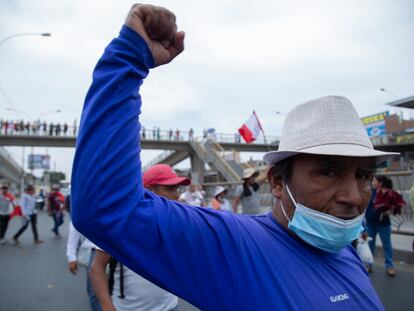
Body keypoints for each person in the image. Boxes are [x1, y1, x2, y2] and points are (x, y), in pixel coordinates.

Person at [72, 4, 399, 309]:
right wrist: (129, 57)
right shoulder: (234, 247)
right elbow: (106, 207)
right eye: (328, 172)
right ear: (276, 180)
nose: (354, 197)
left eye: (363, 175)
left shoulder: (344, 252)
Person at [89, 164, 187, 311]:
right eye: (169, 189)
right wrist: (106, 305)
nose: (176, 194)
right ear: (147, 191)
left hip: (170, 307)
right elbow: (97, 267)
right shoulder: (119, 225)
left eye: (177, 189)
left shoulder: (175, 222)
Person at [365, 175, 405, 277]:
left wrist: (390, 211)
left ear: (380, 183)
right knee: (370, 245)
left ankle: (390, 266)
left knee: (387, 245)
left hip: (384, 224)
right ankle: (368, 265)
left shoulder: (390, 193)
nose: (372, 182)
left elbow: (397, 206)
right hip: (370, 223)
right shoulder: (370, 191)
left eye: (374, 180)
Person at [67, 220, 102, 311]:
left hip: (118, 251)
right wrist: (71, 255)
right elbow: (75, 223)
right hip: (94, 251)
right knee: (95, 293)